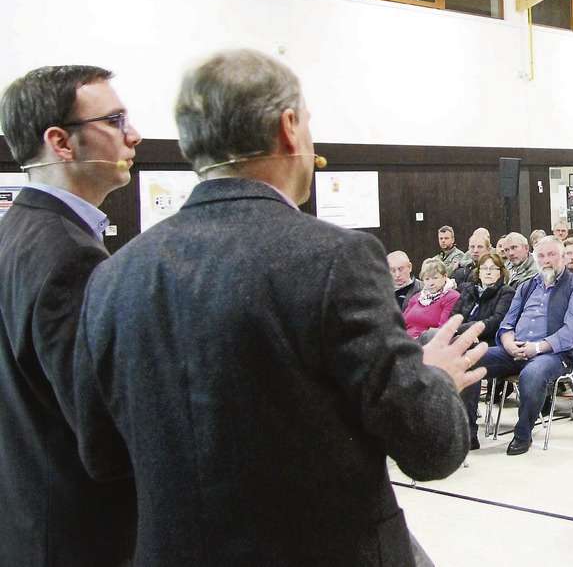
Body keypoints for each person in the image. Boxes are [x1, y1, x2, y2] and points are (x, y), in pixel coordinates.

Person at [73, 49, 484, 566]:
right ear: (290, 127)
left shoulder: (113, 275)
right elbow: (431, 448)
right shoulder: (336, 259)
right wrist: (436, 380)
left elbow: (100, 455)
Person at [0, 64, 141, 567]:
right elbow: (99, 424)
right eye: (115, 120)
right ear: (61, 142)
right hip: (80, 538)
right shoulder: (67, 255)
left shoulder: (17, 231)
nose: (134, 135)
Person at [461, 236, 573, 455]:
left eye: (552, 254)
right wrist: (508, 342)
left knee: (532, 374)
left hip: (554, 353)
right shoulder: (526, 286)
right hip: (516, 348)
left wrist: (538, 347)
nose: (546, 260)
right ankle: (467, 433)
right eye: (541, 255)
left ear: (562, 257)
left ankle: (523, 434)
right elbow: (507, 323)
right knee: (468, 361)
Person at [454, 252, 516, 349]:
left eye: (492, 268)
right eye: (484, 268)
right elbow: (454, 316)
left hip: (486, 341)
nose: (488, 272)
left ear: (500, 273)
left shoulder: (507, 292)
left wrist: (472, 331)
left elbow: (497, 320)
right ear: (478, 273)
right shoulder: (468, 289)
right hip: (460, 336)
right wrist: (461, 333)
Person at [402, 259, 461, 341]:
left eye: (435, 278)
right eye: (427, 279)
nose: (431, 283)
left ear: (445, 276)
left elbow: (443, 329)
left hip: (428, 342)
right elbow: (401, 323)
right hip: (405, 340)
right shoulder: (417, 297)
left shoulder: (451, 296)